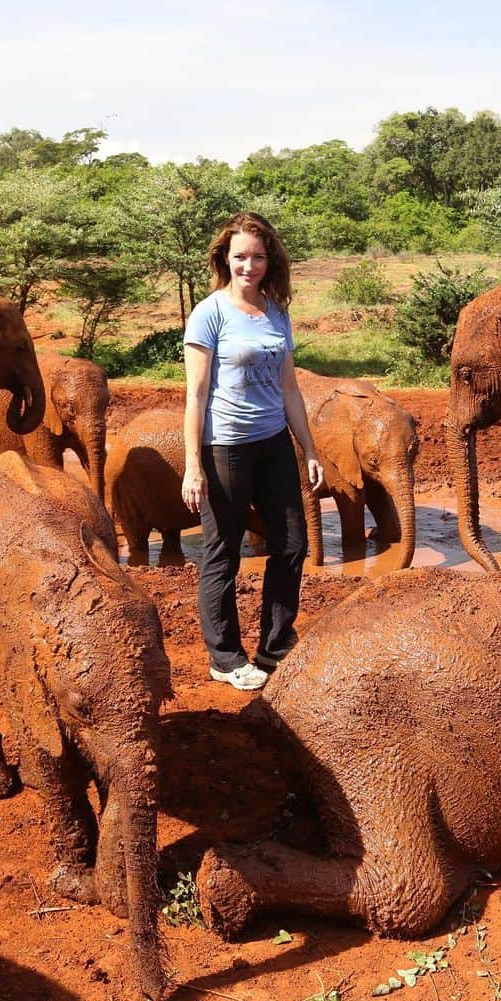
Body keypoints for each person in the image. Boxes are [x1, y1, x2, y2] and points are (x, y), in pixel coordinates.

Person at [182, 212, 324, 691]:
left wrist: (308, 449)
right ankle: (224, 657)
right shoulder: (210, 313)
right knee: (223, 553)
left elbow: (289, 388)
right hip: (226, 448)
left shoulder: (277, 311)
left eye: (258, 257)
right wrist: (191, 465)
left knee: (292, 544)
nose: (249, 265)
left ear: (270, 260)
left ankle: (275, 647)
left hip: (273, 444)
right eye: (240, 256)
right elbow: (196, 395)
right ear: (226, 257)